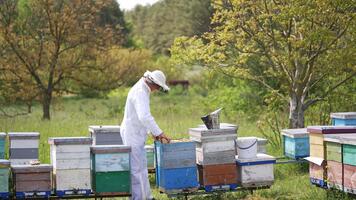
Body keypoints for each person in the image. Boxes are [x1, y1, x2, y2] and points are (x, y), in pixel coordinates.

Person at [120, 70, 171, 200]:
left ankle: (146, 197)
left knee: (142, 168)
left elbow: (140, 116)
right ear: (154, 83)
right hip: (132, 134)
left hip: (135, 132)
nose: (157, 90)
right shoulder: (140, 92)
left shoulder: (142, 89)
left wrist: (151, 132)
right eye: (159, 87)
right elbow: (144, 116)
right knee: (137, 170)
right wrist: (159, 132)